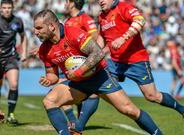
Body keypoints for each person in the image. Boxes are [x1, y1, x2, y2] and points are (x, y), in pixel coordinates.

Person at [34, 9, 162, 135]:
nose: (35, 32)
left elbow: (97, 53)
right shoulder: (44, 49)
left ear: (51, 26)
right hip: (78, 84)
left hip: (100, 77)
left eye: (39, 28)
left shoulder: (73, 33)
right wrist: (49, 79)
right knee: (49, 101)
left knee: (130, 111)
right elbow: (53, 74)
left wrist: (79, 71)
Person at [98, 0, 184, 119]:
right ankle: (77, 126)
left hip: (136, 60)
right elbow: (102, 38)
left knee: (152, 96)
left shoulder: (124, 7)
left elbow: (140, 20)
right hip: (115, 62)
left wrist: (123, 38)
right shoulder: (101, 16)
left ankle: (181, 109)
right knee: (95, 83)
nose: (100, 1)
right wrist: (95, 52)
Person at [62, 0, 105, 132]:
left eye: (67, 1)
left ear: (72, 3)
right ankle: (75, 123)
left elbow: (95, 38)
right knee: (63, 92)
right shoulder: (68, 21)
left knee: (91, 94)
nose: (64, 4)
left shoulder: (85, 18)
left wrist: (89, 59)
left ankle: (78, 124)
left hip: (82, 63)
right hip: (67, 63)